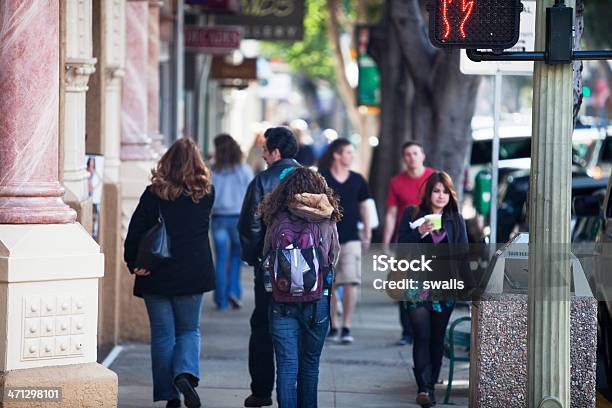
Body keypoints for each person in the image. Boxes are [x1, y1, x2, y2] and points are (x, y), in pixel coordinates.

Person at [124, 138, 215, 408]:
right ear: (197, 163)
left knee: (163, 335)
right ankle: (184, 374)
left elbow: (135, 232)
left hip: (156, 273)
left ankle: (170, 396)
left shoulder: (153, 194)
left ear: (167, 162)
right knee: (189, 330)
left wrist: (133, 263)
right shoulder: (206, 194)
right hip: (193, 272)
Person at [259, 167, 341, 408]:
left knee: (286, 367)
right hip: (317, 302)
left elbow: (266, 255)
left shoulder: (276, 217)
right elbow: (333, 256)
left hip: (282, 301)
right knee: (310, 365)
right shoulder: (326, 216)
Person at [238, 126, 300, 407]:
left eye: (265, 149)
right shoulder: (312, 178)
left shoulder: (263, 180)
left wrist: (254, 258)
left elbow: (250, 225)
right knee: (296, 328)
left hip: (270, 268)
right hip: (306, 271)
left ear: (275, 152)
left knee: (262, 325)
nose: (262, 153)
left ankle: (262, 392)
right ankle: (296, 391)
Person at [397, 171, 468, 408]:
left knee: (437, 339)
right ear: (429, 193)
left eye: (445, 192)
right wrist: (419, 232)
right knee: (421, 335)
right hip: (416, 283)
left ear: (450, 195)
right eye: (436, 191)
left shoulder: (456, 220)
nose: (440, 196)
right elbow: (401, 248)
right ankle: (424, 389)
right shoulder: (413, 213)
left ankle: (432, 382)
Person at [318, 138, 371, 344]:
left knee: (351, 281)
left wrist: (367, 232)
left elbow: (366, 206)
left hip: (350, 239)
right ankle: (333, 323)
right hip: (326, 239)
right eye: (348, 152)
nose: (351, 156)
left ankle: (346, 325)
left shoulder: (358, 179)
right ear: (337, 155)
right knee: (329, 284)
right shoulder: (322, 178)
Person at [382, 141, 435, 346]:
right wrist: (386, 242)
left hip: (430, 241)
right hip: (405, 241)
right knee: (403, 283)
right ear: (404, 159)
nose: (412, 157)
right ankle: (407, 331)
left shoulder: (433, 178)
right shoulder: (396, 182)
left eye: (415, 153)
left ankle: (426, 327)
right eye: (407, 154)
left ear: (423, 155)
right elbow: (391, 213)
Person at [211, 134, 254, 310]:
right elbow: (252, 196)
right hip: (239, 219)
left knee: (221, 259)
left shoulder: (212, 171)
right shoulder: (244, 171)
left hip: (218, 218)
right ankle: (234, 293)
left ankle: (221, 300)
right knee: (236, 257)